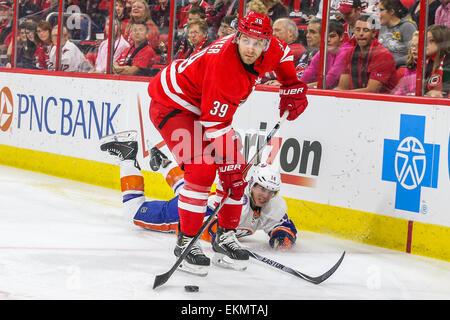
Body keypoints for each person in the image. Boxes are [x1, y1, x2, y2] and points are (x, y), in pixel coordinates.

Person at [146, 11, 308, 274]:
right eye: (246, 40)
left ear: (267, 42)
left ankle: (225, 237)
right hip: (172, 105)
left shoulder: (273, 47)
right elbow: (214, 124)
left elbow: (285, 56)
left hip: (204, 108)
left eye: (258, 43)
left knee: (238, 173)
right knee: (203, 168)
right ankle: (186, 242)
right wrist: (228, 166)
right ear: (237, 37)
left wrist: (290, 85)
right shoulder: (224, 66)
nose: (251, 48)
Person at [99, 134, 298, 257]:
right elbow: (203, 223)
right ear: (251, 185)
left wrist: (282, 237)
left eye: (271, 192)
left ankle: (165, 164)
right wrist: (214, 232)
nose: (265, 195)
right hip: (184, 213)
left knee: (187, 189)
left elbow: (283, 225)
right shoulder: (237, 200)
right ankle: (127, 156)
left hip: (198, 197)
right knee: (132, 213)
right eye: (261, 189)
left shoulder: (274, 206)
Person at [334, 14, 398, 93]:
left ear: (374, 33)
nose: (361, 34)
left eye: (365, 30)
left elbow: (372, 91)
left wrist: (343, 94)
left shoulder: (383, 55)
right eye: (357, 30)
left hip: (384, 102)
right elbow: (342, 87)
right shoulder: (350, 53)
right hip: (358, 100)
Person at [300, 19, 349, 89]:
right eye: (325, 36)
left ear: (341, 37)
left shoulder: (346, 51)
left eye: (332, 36)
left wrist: (302, 86)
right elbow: (308, 73)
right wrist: (296, 86)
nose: (328, 40)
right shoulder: (323, 52)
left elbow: (329, 80)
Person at [377, 0, 417, 68]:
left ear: (391, 12)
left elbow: (414, 54)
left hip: (401, 68)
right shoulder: (383, 27)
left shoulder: (407, 27)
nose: (377, 13)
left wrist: (392, 62)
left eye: (381, 10)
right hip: (383, 67)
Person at [423, 24, 450, 97]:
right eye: (425, 40)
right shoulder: (427, 61)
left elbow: (444, 94)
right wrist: (429, 93)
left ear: (441, 41)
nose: (425, 44)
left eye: (431, 40)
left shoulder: (448, 62)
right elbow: (421, 89)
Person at [394, 31, 418, 95]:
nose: (414, 49)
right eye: (413, 45)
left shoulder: (429, 68)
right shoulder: (410, 67)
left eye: (418, 45)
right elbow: (401, 90)